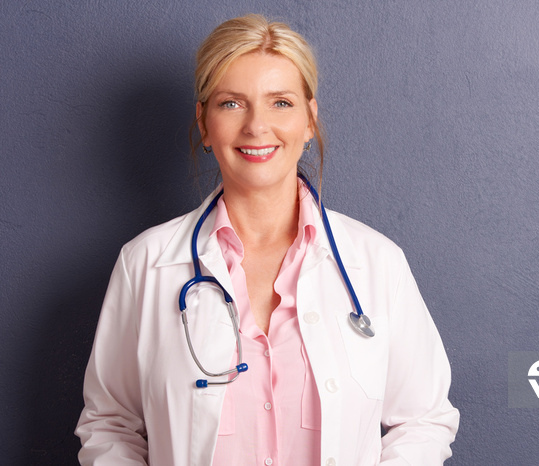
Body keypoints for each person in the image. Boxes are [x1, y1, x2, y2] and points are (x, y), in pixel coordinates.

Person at [76, 14, 459, 465]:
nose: (257, 126)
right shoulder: (146, 263)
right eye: (231, 104)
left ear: (310, 120)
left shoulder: (376, 262)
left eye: (280, 102)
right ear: (204, 123)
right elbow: (109, 423)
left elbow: (424, 420)